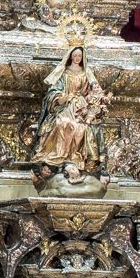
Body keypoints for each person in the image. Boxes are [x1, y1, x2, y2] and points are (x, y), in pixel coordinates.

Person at [30, 44, 108, 182]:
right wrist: (61, 98)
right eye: (75, 55)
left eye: (79, 56)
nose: (77, 58)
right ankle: (57, 156)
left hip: (80, 107)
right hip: (65, 106)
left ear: (82, 57)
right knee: (61, 123)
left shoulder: (86, 73)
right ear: (70, 56)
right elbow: (53, 92)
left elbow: (95, 91)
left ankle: (76, 159)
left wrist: (94, 100)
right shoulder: (64, 73)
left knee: (80, 128)